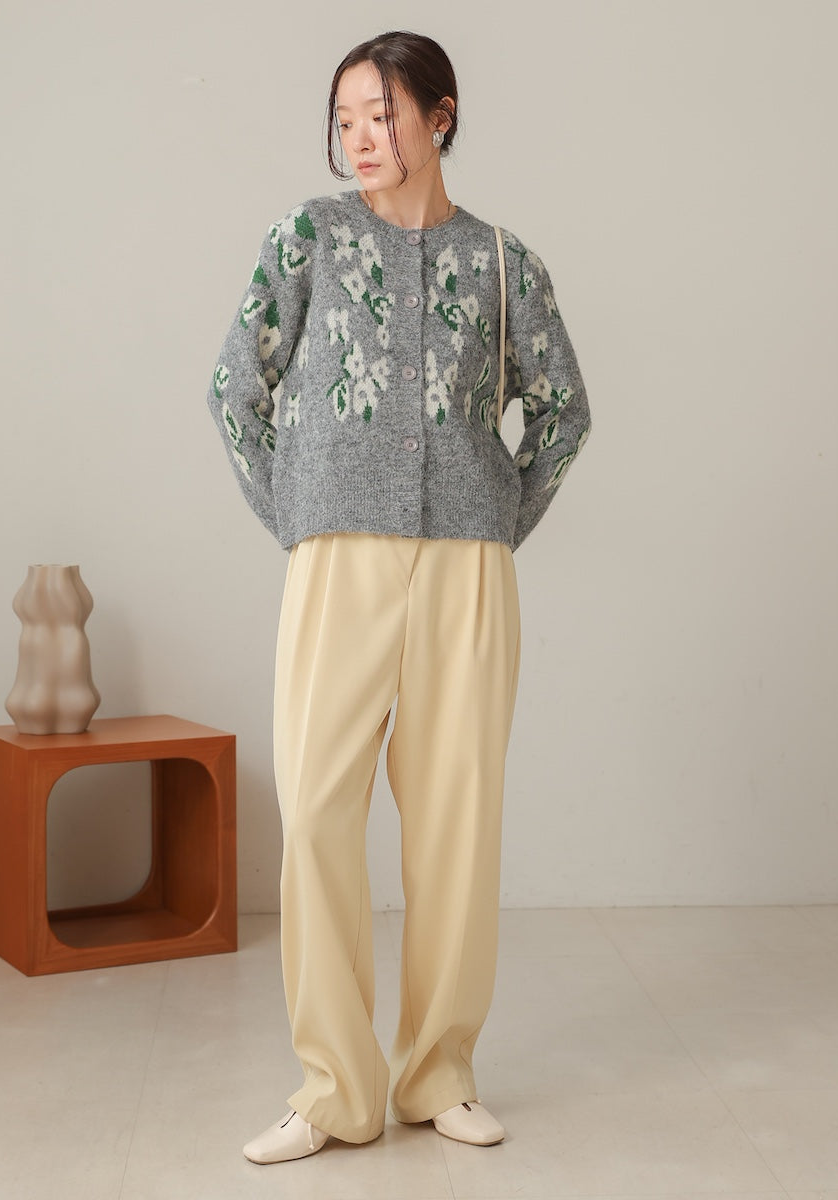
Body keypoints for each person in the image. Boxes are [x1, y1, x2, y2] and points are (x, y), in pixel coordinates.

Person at [206, 30, 591, 1165]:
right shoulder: (311, 238)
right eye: (344, 119)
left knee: (457, 823)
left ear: (439, 117)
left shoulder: (505, 264)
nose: (360, 137)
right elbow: (234, 386)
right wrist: (299, 510)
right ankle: (335, 1089)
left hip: (467, 567)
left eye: (380, 113)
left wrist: (499, 520)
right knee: (317, 811)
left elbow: (563, 410)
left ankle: (439, 1075)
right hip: (339, 560)